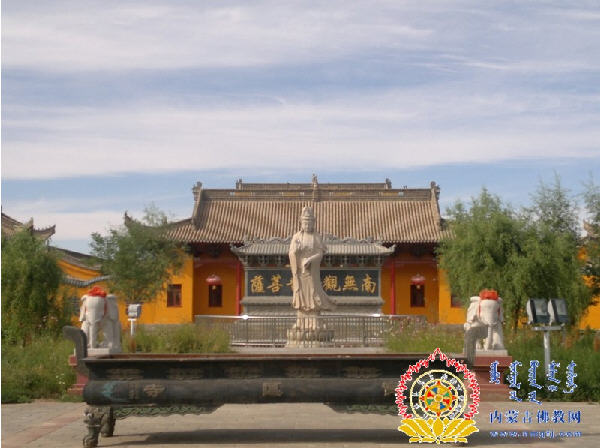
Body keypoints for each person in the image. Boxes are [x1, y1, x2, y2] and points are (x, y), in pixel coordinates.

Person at [288, 206, 335, 319]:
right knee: (300, 292)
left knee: (313, 290)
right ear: (301, 223)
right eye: (305, 223)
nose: (307, 226)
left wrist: (310, 260)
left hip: (312, 270)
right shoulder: (296, 237)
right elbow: (291, 253)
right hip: (300, 271)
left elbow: (320, 253)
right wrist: (295, 251)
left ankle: (314, 315)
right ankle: (302, 316)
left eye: (309, 223)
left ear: (313, 223)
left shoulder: (316, 237)